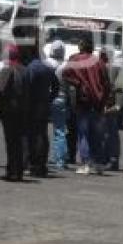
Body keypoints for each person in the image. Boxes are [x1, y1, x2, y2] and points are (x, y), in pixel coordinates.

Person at [62, 36, 111, 175]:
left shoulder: (75, 59)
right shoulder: (99, 62)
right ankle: (98, 163)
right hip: (98, 102)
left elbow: (65, 74)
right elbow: (107, 83)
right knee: (97, 134)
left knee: (83, 133)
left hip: (83, 100)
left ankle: (86, 163)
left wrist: (77, 83)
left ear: (81, 46)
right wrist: (105, 99)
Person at [0, 44, 29, 181]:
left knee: (11, 142)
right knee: (19, 142)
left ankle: (12, 171)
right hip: (23, 110)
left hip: (10, 111)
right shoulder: (25, 70)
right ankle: (18, 170)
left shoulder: (6, 70)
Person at [25, 47, 58, 177]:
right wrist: (50, 98)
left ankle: (32, 164)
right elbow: (56, 86)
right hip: (44, 105)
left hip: (33, 106)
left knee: (31, 136)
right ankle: (41, 165)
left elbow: (27, 85)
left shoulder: (31, 68)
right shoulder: (47, 68)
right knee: (42, 135)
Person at [44, 41, 71, 171]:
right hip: (62, 99)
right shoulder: (65, 66)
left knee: (47, 129)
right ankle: (61, 158)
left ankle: (54, 158)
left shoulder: (47, 64)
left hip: (49, 98)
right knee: (61, 130)